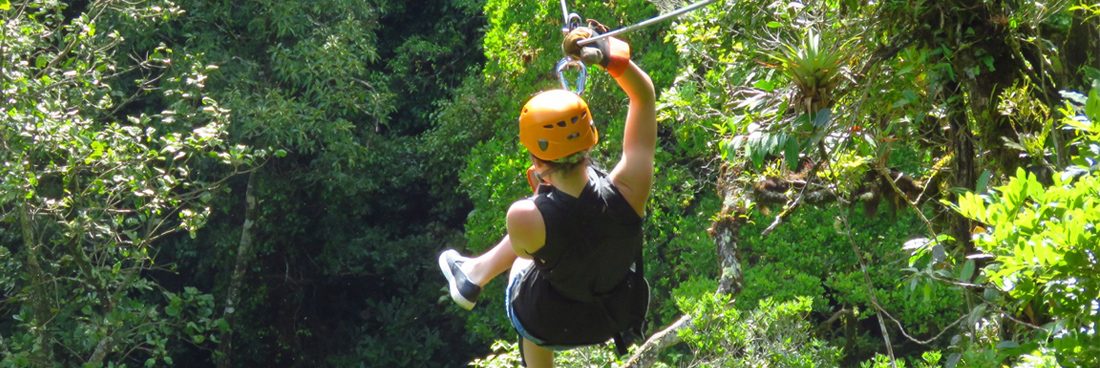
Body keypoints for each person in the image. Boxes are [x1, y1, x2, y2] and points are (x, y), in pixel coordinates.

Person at [439, 27, 656, 368]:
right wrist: (609, 53)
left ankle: (476, 274)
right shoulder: (632, 185)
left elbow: (536, 242)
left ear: (536, 161)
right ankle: (474, 274)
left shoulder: (523, 216)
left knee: (524, 266)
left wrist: (541, 196)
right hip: (615, 315)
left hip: (553, 322)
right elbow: (644, 96)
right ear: (591, 138)